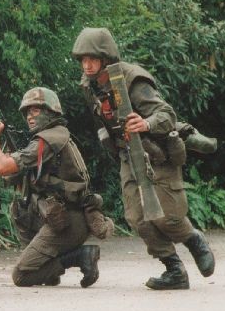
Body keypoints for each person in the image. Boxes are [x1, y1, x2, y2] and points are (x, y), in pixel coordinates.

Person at [71, 27, 215, 290]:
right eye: (82, 59)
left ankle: (193, 239)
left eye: (92, 58)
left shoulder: (132, 79)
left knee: (166, 217)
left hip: (156, 150)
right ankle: (174, 270)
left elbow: (166, 115)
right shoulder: (89, 85)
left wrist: (145, 123)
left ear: (106, 58)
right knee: (138, 218)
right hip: (127, 153)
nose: (87, 64)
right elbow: (100, 121)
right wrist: (112, 149)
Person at [0, 87, 107, 288]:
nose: (29, 117)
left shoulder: (49, 139)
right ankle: (49, 269)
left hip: (69, 220)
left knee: (22, 276)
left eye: (35, 110)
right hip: (59, 217)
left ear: (50, 111)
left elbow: (1, 167)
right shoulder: (54, 136)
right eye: (26, 112)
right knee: (21, 207)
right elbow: (12, 176)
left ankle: (80, 256)